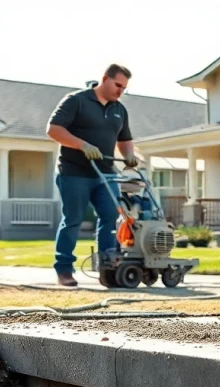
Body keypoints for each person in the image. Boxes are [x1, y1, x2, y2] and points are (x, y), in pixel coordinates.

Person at [46, 64, 140, 287]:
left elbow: (124, 139)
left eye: (124, 88)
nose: (120, 91)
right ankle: (64, 270)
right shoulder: (76, 100)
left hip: (106, 174)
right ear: (105, 79)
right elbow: (53, 129)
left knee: (110, 218)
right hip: (74, 172)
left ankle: (108, 269)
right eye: (117, 85)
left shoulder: (119, 110)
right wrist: (82, 145)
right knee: (73, 220)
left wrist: (129, 155)